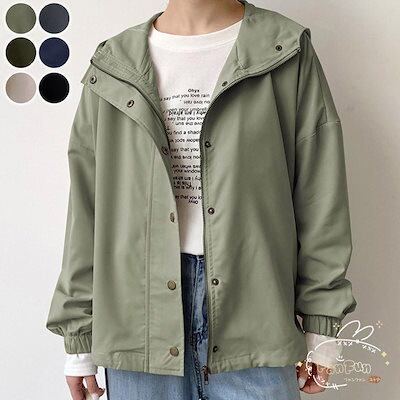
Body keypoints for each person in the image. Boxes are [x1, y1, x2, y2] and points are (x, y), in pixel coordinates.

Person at [45, 0, 357, 399]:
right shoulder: (114, 63)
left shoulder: (284, 48)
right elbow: (87, 208)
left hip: (255, 312)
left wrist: (322, 324)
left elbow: (320, 192)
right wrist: (79, 340)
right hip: (137, 320)